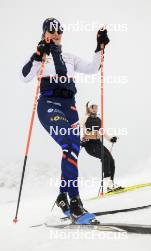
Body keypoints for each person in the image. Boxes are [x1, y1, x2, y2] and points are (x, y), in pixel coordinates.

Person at [21, 18, 109, 224]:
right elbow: (24, 76)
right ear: (44, 34)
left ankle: (62, 197)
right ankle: (75, 202)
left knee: (72, 149)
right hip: (49, 105)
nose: (56, 34)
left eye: (59, 31)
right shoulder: (41, 57)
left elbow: (93, 67)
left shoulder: (68, 57)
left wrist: (100, 46)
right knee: (69, 144)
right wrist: (37, 55)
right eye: (51, 31)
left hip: (69, 108)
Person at [81, 101, 124, 193]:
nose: (95, 108)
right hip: (89, 144)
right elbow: (79, 129)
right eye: (93, 107)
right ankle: (108, 184)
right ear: (88, 108)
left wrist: (110, 139)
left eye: (96, 107)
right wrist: (81, 140)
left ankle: (110, 184)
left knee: (111, 160)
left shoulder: (98, 119)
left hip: (98, 143)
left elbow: (102, 131)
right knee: (105, 157)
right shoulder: (84, 118)